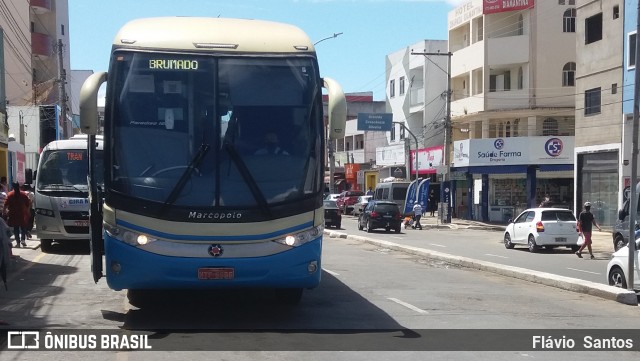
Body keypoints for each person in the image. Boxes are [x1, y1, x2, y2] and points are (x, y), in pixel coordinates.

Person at [3, 183, 31, 248]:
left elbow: (5, 204)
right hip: (22, 214)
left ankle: (18, 242)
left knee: (16, 229)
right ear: (19, 186)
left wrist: (4, 212)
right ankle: (23, 240)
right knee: (23, 227)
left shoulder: (10, 194)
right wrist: (28, 211)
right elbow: (28, 203)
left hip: (13, 214)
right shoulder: (23, 194)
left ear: (12, 187)